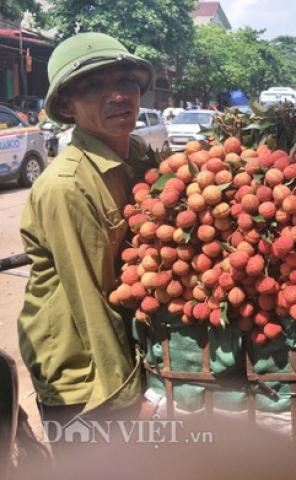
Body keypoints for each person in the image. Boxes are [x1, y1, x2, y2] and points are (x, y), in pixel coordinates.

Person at [17, 32, 155, 442]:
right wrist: (129, 398)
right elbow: (91, 299)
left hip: (127, 350)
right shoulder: (66, 184)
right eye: (95, 86)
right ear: (66, 106)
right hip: (85, 378)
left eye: (125, 82)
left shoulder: (142, 156)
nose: (117, 96)